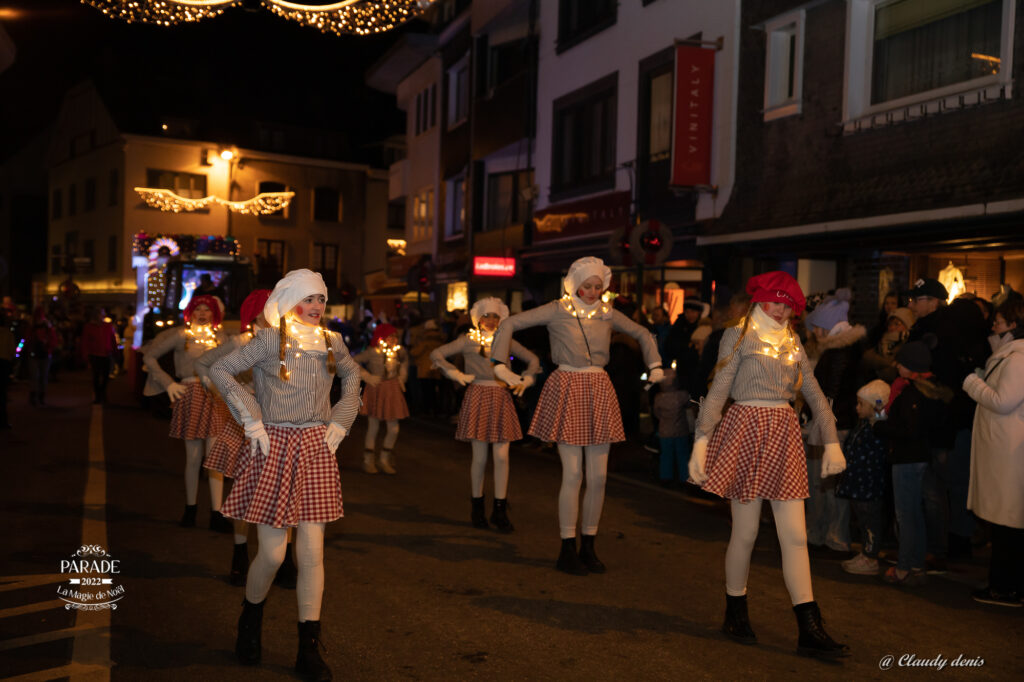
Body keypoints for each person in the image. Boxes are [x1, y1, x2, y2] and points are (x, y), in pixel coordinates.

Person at [210, 269, 361, 680]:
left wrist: (341, 422)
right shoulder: (269, 339)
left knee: (311, 553)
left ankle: (308, 649)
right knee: (274, 554)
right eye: (308, 299)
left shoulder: (332, 342)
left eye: (321, 301)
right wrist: (252, 418)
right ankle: (250, 617)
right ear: (290, 299)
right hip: (273, 446)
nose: (316, 307)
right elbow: (220, 371)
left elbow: (353, 379)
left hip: (316, 447)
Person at [689, 271, 849, 658]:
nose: (779, 310)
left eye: (786, 304)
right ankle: (735, 610)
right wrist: (701, 442)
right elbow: (718, 392)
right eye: (773, 302)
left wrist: (832, 441)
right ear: (760, 300)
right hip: (745, 429)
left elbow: (812, 391)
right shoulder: (740, 335)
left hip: (783, 434)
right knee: (745, 534)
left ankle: (809, 627)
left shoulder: (792, 340)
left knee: (794, 536)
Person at [490, 257, 663, 575]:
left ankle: (589, 545)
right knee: (573, 475)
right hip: (567, 385)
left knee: (598, 477)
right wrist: (499, 363)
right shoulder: (558, 309)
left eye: (598, 286)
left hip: (598, 387)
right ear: (575, 284)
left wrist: (655, 365)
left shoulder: (606, 312)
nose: (593, 291)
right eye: (587, 286)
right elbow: (510, 323)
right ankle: (566, 547)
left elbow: (642, 332)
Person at [196, 289, 299, 588]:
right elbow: (205, 365)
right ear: (255, 316)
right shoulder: (242, 342)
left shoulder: (289, 342)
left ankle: (285, 558)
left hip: (282, 425)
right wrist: (229, 393)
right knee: (244, 490)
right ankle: (240, 552)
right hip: (248, 424)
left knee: (284, 488)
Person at [431, 297, 540, 531]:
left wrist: (527, 378)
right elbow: (437, 354)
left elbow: (533, 359)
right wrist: (454, 373)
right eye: (486, 316)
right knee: (479, 458)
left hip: (501, 397)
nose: (490, 321)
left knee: (502, 457)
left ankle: (500, 509)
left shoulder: (506, 339)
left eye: (495, 317)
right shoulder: (468, 340)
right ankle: (477, 507)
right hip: (478, 395)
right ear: (477, 319)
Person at [142, 295, 230, 529]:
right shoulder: (182, 335)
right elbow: (149, 355)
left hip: (215, 396)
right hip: (190, 394)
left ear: (215, 314)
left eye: (207, 309)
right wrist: (168, 382)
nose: (202, 313)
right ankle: (190, 509)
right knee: (193, 458)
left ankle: (217, 513)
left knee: (214, 458)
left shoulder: (221, 338)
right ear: (190, 313)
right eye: (197, 309)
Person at [873, 333, 953, 586]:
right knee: (915, 513)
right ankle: (916, 564)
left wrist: (879, 427)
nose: (897, 366)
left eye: (901, 362)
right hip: (921, 458)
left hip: (907, 459)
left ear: (913, 366)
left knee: (906, 515)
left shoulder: (912, 394)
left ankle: (905, 567)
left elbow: (908, 430)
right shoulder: (931, 390)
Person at [962, 296, 1024, 606]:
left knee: (1008, 522)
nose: (993, 327)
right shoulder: (1010, 355)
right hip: (1006, 451)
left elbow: (1003, 401)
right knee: (1006, 521)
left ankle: (1005, 587)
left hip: (1009, 453)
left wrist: (971, 381)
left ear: (1013, 325)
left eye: (998, 322)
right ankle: (1005, 583)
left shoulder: (1017, 358)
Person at [803, 288, 868, 556]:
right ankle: (823, 534)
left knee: (828, 483)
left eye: (818, 327)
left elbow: (831, 390)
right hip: (834, 422)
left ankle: (833, 536)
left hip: (833, 425)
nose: (815, 333)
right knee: (825, 482)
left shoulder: (839, 352)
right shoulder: (841, 350)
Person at [838, 380, 890, 576]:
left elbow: (881, 411)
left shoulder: (878, 425)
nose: (857, 408)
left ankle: (871, 556)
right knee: (862, 520)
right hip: (858, 482)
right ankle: (865, 552)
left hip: (869, 484)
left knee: (871, 521)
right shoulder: (862, 425)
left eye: (861, 404)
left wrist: (877, 404)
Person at [354, 323, 409, 474]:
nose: (393, 339)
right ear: (382, 337)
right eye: (390, 336)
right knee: (374, 426)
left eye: (395, 336)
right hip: (377, 388)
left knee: (394, 428)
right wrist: (367, 376)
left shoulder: (399, 351)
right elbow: (353, 360)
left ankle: (384, 459)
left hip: (392, 389)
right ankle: (368, 460)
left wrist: (402, 378)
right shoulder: (373, 351)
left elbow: (405, 363)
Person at [651, 368, 690, 487]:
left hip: (664, 431)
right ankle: (685, 477)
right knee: (683, 455)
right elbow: (689, 405)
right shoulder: (682, 395)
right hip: (681, 431)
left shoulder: (659, 397)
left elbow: (656, 413)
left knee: (666, 455)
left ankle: (665, 477)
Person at [861, 307, 914, 383]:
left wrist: (877, 364)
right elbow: (867, 357)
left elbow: (890, 373)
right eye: (890, 324)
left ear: (907, 324)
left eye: (897, 324)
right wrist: (888, 363)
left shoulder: (908, 344)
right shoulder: (883, 340)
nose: (892, 328)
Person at [81, 307, 119, 404]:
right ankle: (98, 395)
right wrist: (85, 355)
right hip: (95, 354)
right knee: (96, 376)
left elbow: (112, 339)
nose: (102, 316)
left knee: (106, 376)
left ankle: (102, 392)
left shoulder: (108, 326)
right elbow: (85, 342)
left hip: (106, 354)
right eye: (100, 314)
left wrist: (115, 351)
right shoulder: (89, 327)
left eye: (102, 314)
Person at [27, 306, 58, 406]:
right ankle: (38, 397)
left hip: (42, 354)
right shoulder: (34, 327)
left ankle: (38, 397)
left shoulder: (45, 327)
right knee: (37, 376)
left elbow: (53, 340)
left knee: (40, 376)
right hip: (38, 353)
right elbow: (26, 339)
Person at [0, 310, 13, 429]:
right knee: (3, 392)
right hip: (4, 363)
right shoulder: (8, 333)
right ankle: (3, 421)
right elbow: (12, 350)